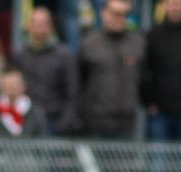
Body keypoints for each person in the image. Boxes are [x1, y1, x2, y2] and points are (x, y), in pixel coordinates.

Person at [78, 0, 144, 139]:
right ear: (104, 14)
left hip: (128, 119)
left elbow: (144, 77)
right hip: (96, 119)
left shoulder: (138, 43)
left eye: (124, 14)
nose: (120, 18)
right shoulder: (89, 44)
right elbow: (79, 80)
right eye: (116, 14)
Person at [13, 7, 79, 136]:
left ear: (51, 27)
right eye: (35, 23)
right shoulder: (20, 55)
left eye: (43, 23)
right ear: (28, 26)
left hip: (55, 122)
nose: (39, 27)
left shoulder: (64, 55)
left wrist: (64, 123)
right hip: (26, 123)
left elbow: (73, 92)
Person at [142, 0, 181, 141]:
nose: (176, 8)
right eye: (173, 4)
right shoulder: (154, 35)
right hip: (160, 109)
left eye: (179, 4)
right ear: (165, 6)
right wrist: (149, 101)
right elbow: (145, 70)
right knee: (158, 159)